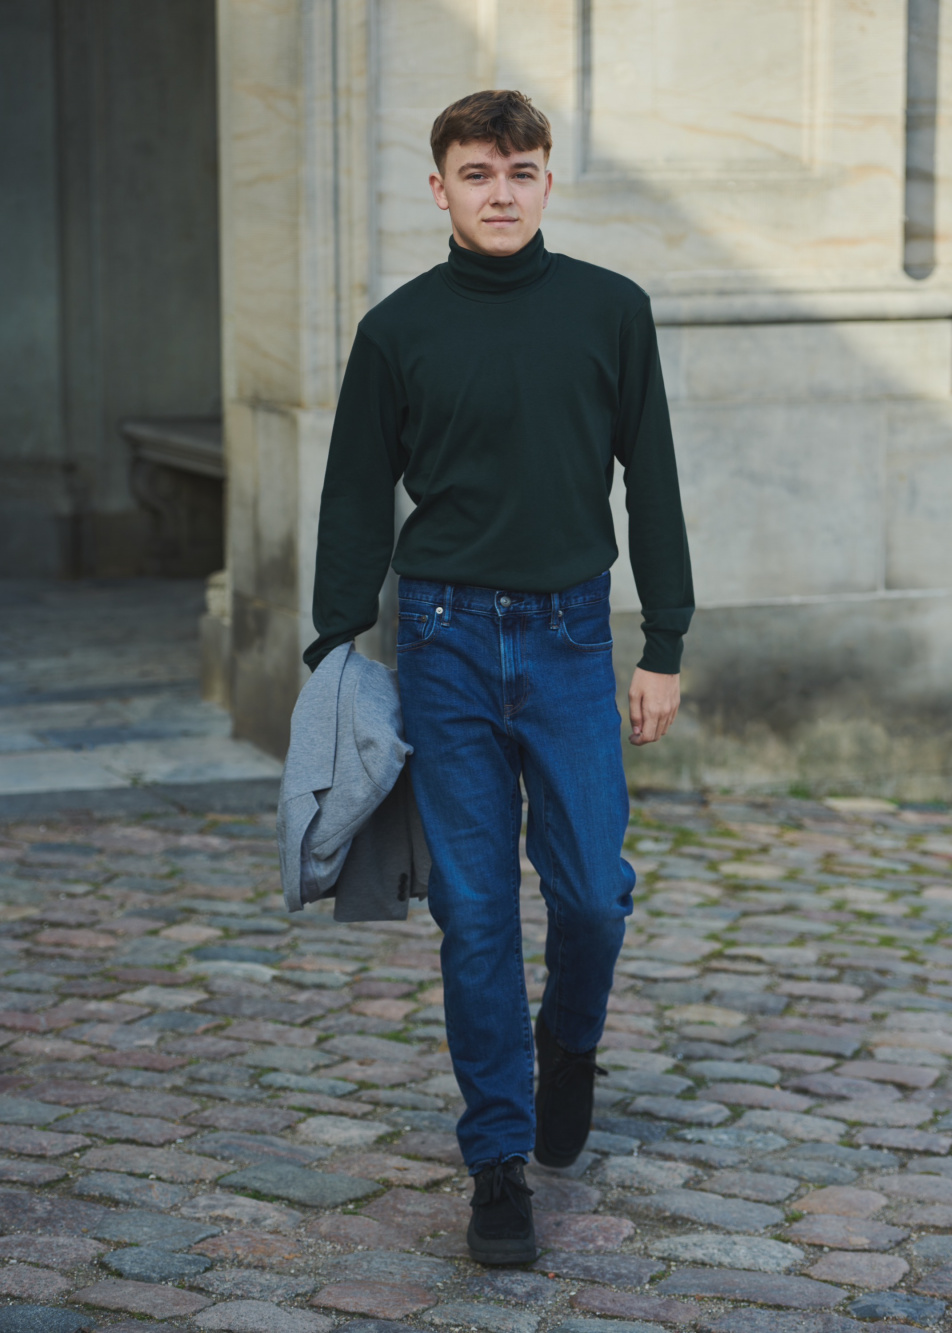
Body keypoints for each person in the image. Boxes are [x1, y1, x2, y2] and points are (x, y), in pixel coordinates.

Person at [305, 89, 694, 1264]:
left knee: (588, 894)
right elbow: (352, 497)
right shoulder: (397, 330)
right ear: (440, 189)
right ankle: (496, 1164)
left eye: (520, 171)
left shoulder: (610, 311)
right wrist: (334, 648)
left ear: (546, 182)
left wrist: (663, 640)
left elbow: (656, 483)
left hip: (575, 639)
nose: (501, 191)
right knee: (474, 912)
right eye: (477, 173)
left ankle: (567, 1040)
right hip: (445, 642)